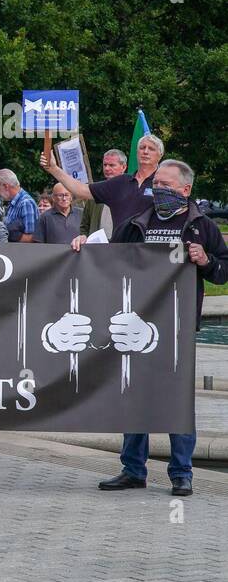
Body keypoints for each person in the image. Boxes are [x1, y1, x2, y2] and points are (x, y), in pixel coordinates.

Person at [69, 159, 228, 497]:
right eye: (157, 185)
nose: (159, 191)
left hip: (178, 328)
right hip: (135, 324)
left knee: (177, 398)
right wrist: (84, 247)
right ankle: (132, 469)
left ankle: (182, 473)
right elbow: (109, 258)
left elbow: (223, 271)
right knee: (134, 393)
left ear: (185, 190)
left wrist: (207, 260)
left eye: (167, 186)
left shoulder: (201, 226)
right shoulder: (137, 221)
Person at [43, 133, 162, 236]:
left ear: (160, 155)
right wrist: (53, 168)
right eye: (142, 147)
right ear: (137, 152)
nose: (145, 151)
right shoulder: (120, 182)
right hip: (120, 250)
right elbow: (81, 190)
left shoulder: (164, 184)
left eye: (151, 149)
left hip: (149, 251)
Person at [80, 149, 130, 238]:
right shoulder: (95, 191)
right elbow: (84, 226)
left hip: (122, 247)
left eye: (111, 165)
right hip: (97, 248)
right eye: (105, 165)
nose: (107, 168)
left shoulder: (132, 191)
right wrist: (83, 236)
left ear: (123, 167)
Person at [0, 169, 38, 243]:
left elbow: (32, 239)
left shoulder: (25, 203)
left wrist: (11, 236)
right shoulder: (14, 202)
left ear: (5, 186)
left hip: (23, 253)